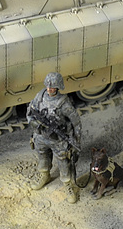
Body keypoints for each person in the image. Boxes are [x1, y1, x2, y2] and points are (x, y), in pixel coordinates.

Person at [27, 72, 82, 203]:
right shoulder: (40, 96)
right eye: (48, 86)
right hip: (41, 136)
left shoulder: (63, 103)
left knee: (63, 162)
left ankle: (68, 185)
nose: (49, 89)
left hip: (58, 140)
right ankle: (44, 175)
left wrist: (77, 140)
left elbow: (76, 122)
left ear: (58, 87)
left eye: (52, 87)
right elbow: (30, 112)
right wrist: (35, 124)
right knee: (42, 157)